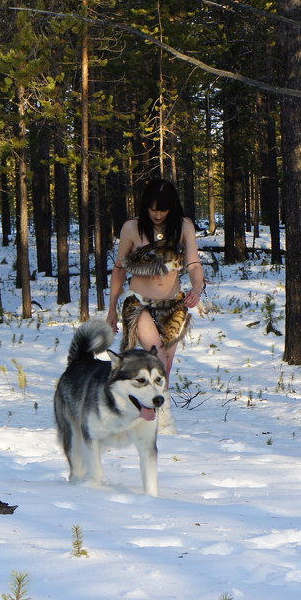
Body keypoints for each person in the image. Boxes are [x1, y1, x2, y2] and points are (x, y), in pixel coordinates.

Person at [106, 179, 205, 431]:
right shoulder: (131, 228)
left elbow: (193, 262)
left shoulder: (183, 227)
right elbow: (119, 270)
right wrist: (111, 310)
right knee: (157, 357)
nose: (158, 214)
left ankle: (150, 411)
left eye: (163, 209)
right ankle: (164, 422)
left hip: (173, 306)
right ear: (144, 207)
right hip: (139, 304)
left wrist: (197, 287)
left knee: (165, 368)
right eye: (153, 209)